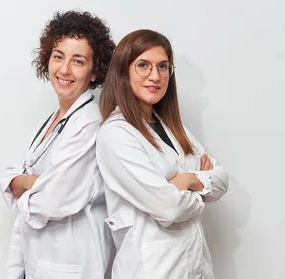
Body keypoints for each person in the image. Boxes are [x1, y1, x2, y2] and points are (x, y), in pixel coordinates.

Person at [95, 29, 229, 279]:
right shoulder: (116, 134)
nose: (155, 76)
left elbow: (222, 178)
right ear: (124, 70)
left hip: (195, 267)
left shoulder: (173, 128)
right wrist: (197, 183)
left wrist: (185, 182)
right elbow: (169, 208)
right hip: (151, 269)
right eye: (143, 65)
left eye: (163, 66)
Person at [0, 10, 116, 279]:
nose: (64, 70)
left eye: (78, 61)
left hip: (71, 263)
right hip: (38, 260)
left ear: (95, 70)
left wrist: (23, 183)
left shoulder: (90, 123)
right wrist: (30, 181)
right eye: (58, 57)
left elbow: (50, 202)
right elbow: (12, 177)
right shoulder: (49, 120)